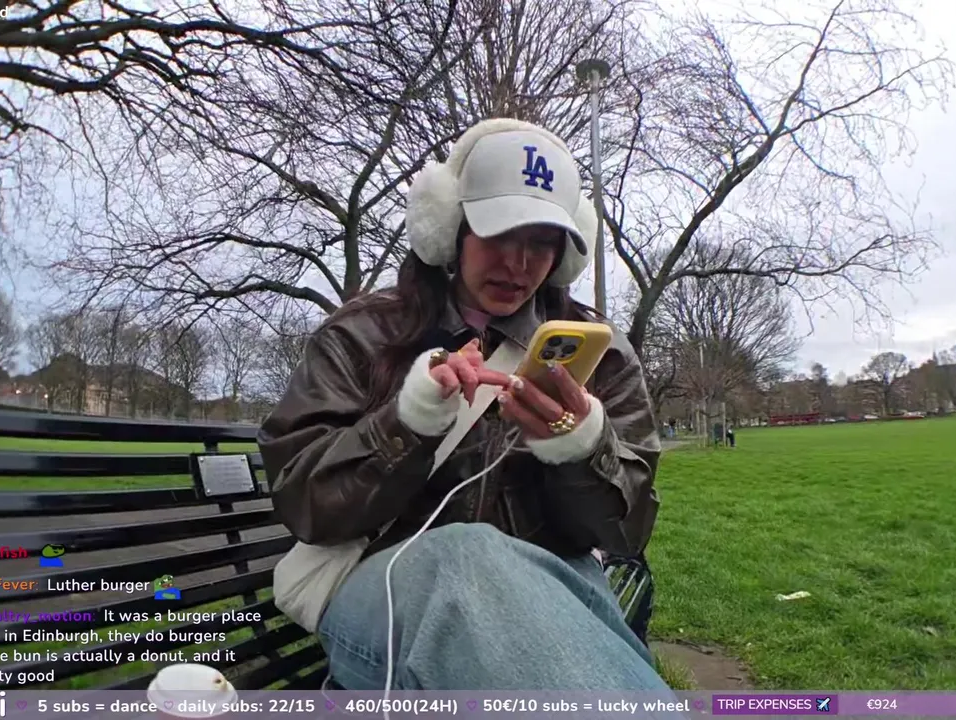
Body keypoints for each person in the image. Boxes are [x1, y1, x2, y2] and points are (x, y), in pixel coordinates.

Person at [258, 118, 668, 693]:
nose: (518, 264)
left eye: (541, 242)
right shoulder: (359, 336)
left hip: (554, 588)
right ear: (450, 226)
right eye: (499, 233)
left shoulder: (601, 352)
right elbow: (306, 505)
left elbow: (624, 536)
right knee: (465, 554)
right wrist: (408, 423)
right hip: (387, 588)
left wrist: (581, 447)